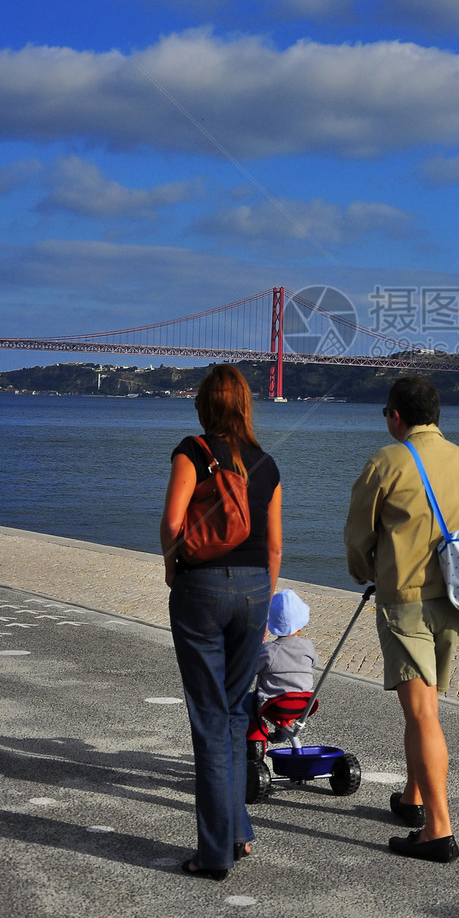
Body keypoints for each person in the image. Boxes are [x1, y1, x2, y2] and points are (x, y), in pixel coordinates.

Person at [343, 376, 459, 863]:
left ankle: (437, 832)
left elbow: (359, 535)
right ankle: (412, 798)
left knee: (421, 712)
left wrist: (365, 571)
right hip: (456, 600)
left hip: (406, 600)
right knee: (426, 705)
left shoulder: (387, 461)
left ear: (396, 416)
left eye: (386, 413)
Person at [159, 363, 281, 881]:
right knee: (234, 713)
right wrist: (262, 594)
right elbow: (274, 544)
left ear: (206, 406)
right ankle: (237, 832)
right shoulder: (267, 463)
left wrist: (173, 566)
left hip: (201, 589)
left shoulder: (193, 451)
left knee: (209, 720)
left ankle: (214, 856)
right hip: (255, 590)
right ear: (246, 406)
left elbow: (171, 523)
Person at [247, 590, 318, 745]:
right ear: (300, 626)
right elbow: (313, 663)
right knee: (287, 691)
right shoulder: (308, 646)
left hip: (274, 705)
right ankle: (281, 733)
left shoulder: (268, 651)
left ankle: (256, 736)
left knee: (245, 704)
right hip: (303, 704)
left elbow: (249, 670)